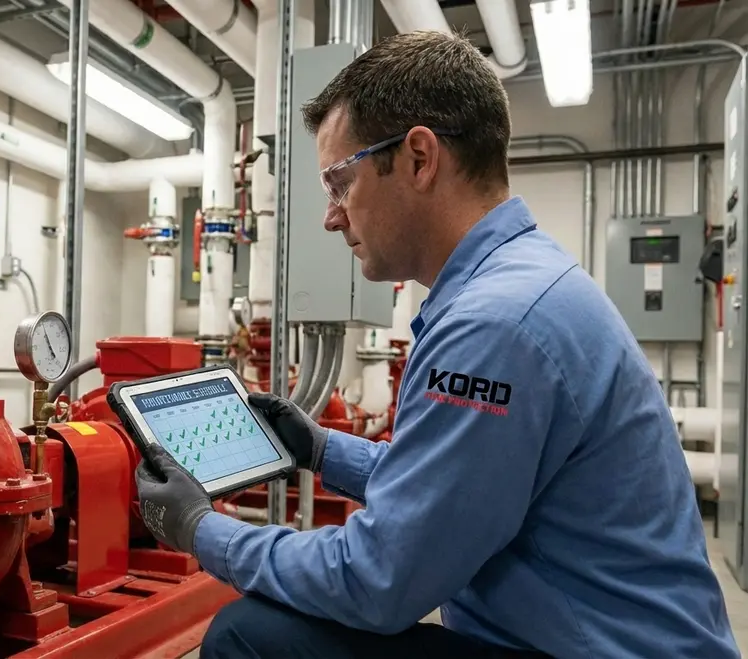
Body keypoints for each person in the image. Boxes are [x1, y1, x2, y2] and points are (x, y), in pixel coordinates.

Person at [132, 30, 739, 659]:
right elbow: (453, 489)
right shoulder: (519, 283)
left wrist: (201, 530)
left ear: (420, 158)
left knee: (249, 637)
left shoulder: (492, 326)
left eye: (341, 183)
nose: (331, 216)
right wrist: (319, 448)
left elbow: (377, 580)